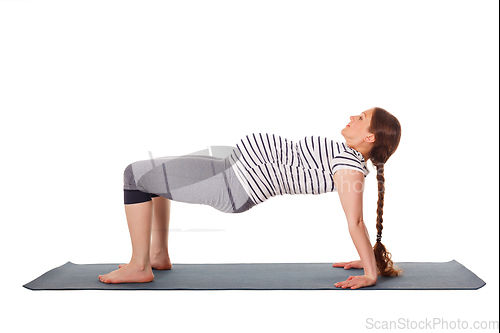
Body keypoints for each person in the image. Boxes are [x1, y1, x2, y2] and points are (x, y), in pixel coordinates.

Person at [98, 107, 403, 289]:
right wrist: (366, 260)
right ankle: (156, 256)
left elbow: (356, 221)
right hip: (230, 166)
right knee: (151, 176)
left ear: (370, 137)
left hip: (232, 184)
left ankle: (139, 267)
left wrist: (370, 272)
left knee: (133, 176)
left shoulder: (349, 168)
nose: (352, 116)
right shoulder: (347, 155)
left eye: (361, 117)